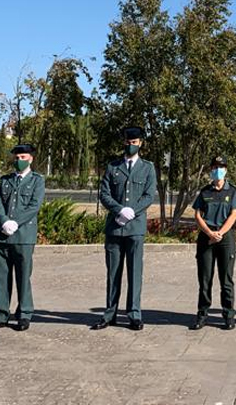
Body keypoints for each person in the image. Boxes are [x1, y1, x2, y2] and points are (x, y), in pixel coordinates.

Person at [91, 126, 157, 331]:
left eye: (134, 142)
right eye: (128, 142)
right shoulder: (113, 167)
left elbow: (148, 195)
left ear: (140, 144)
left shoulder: (147, 168)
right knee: (113, 273)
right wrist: (119, 210)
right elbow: (104, 193)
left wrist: (132, 211)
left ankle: (134, 314)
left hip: (135, 228)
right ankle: (110, 313)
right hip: (114, 228)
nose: (130, 146)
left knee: (135, 272)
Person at [0, 144, 44, 332]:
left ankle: (24, 314)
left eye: (23, 157)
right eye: (17, 157)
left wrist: (15, 222)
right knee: (1, 277)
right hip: (2, 236)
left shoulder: (37, 181)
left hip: (24, 236)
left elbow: (34, 205)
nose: (19, 161)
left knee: (23, 276)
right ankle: (1, 315)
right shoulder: (5, 180)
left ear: (31, 159)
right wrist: (3, 222)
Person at [190, 156, 236, 330]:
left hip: (225, 238)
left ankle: (228, 315)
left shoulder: (232, 191)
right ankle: (202, 314)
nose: (217, 170)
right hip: (206, 237)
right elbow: (197, 215)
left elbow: (234, 214)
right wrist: (209, 232)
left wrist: (220, 233)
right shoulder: (205, 192)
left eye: (221, 167)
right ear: (210, 170)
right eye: (214, 167)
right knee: (205, 279)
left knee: (226, 279)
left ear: (226, 170)